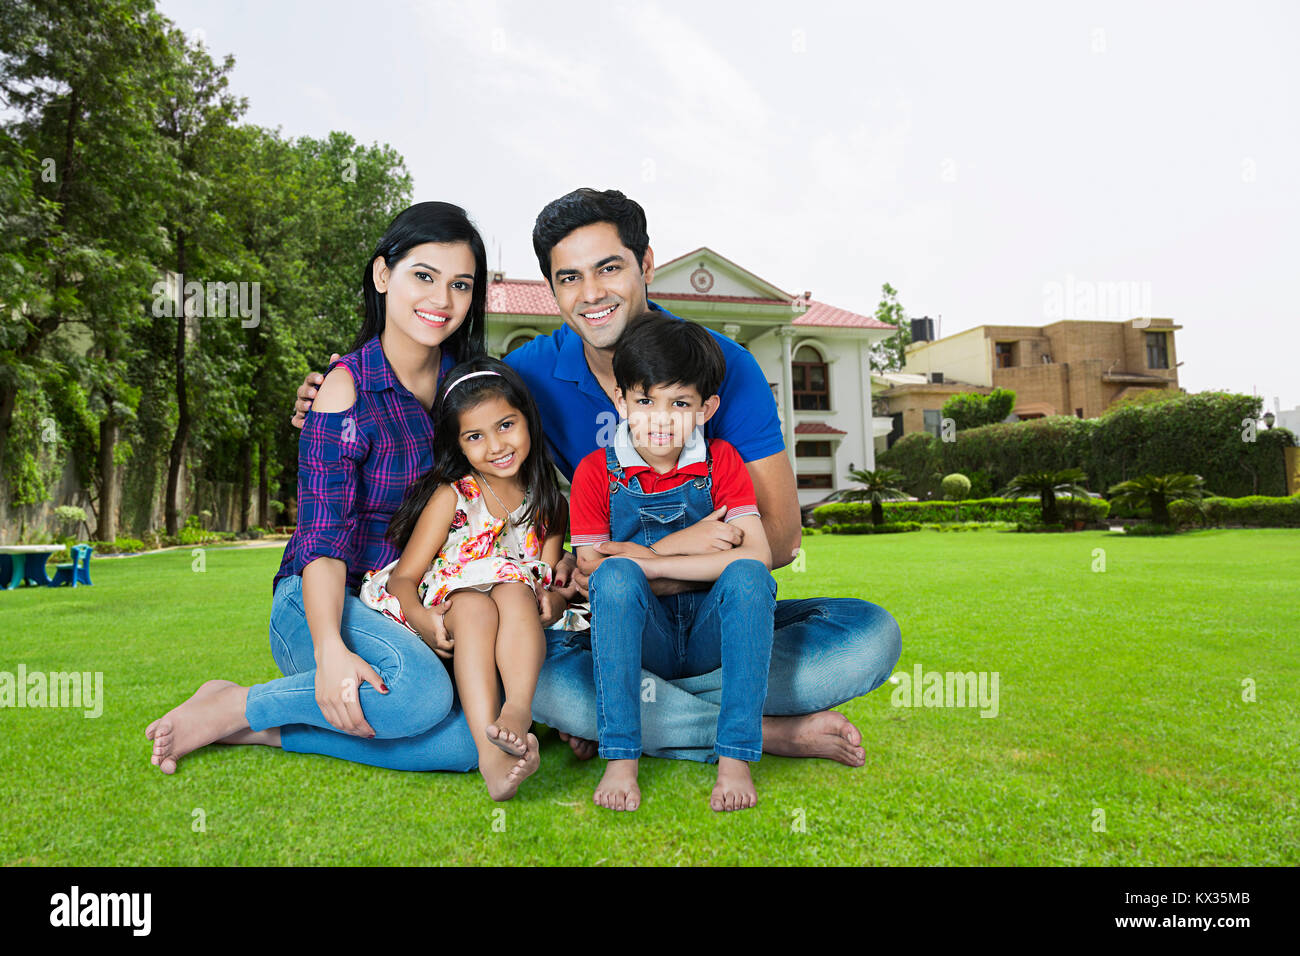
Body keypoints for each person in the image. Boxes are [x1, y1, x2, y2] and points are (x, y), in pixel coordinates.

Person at [294, 188, 902, 769]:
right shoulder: (531, 372)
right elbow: (456, 403)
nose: (591, 294)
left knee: (868, 638)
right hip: (612, 619)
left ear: (646, 265)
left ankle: (638, 710)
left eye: (609, 268)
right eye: (568, 277)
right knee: (540, 673)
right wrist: (331, 396)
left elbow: (782, 538)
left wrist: (645, 559)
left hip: (716, 606)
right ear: (552, 289)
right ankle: (749, 727)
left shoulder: (722, 365)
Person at [146, 202, 545, 789]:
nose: (441, 299)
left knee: (469, 739)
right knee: (417, 696)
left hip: (418, 601)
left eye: (460, 284)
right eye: (423, 276)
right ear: (384, 276)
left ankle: (259, 726)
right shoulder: (342, 391)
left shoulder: (472, 389)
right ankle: (237, 706)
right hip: (323, 600)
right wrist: (330, 646)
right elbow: (322, 540)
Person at [572, 312, 775, 812]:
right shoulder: (595, 472)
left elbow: (758, 556)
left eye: (679, 403)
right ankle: (621, 755)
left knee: (748, 578)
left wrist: (652, 565)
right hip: (644, 645)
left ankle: (735, 757)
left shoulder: (721, 461)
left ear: (706, 408)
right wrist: (692, 541)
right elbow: (596, 570)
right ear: (620, 400)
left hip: (711, 637)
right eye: (644, 401)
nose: (659, 419)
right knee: (608, 589)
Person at [359, 356, 575, 799]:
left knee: (516, 588)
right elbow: (405, 578)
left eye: (506, 425)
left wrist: (556, 602)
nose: (495, 445)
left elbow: (549, 583)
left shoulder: (549, 504)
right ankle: (490, 754)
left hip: (515, 616)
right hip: (449, 607)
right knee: (475, 606)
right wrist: (420, 617)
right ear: (458, 445)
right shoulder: (454, 496)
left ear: (528, 422)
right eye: (475, 436)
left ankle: (516, 709)